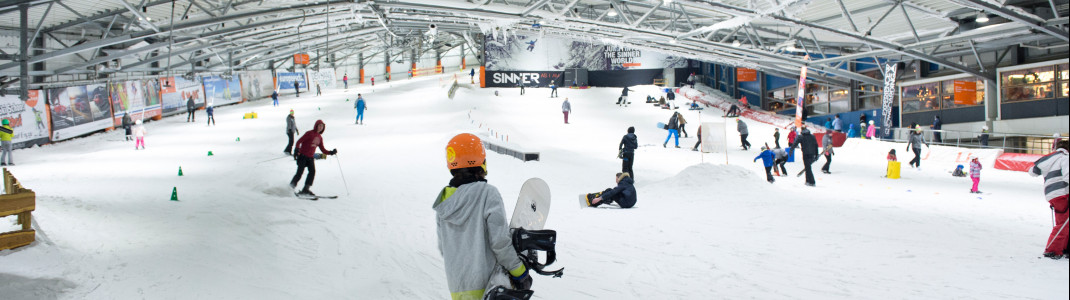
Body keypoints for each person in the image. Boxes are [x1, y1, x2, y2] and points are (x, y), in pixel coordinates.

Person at [433, 133, 532, 298]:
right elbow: (500, 243)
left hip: (457, 290)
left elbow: (444, 248)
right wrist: (520, 272)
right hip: (489, 287)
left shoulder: (443, 202)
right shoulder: (487, 194)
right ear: (480, 162)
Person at [1030, 141, 1069, 259]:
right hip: (1062, 193)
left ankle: (1064, 248)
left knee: (1064, 222)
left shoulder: (1049, 158)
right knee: (1063, 223)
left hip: (1051, 194)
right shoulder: (1065, 158)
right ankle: (1052, 249)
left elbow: (1032, 171)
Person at [290, 120, 337, 196]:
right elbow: (299, 141)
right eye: (319, 125)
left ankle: (306, 189)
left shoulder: (320, 137)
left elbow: (323, 150)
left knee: (312, 172)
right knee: (299, 174)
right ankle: (290, 188)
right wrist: (297, 149)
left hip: (310, 158)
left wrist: (331, 152)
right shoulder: (309, 133)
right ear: (316, 126)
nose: (321, 127)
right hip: (303, 156)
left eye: (322, 126)